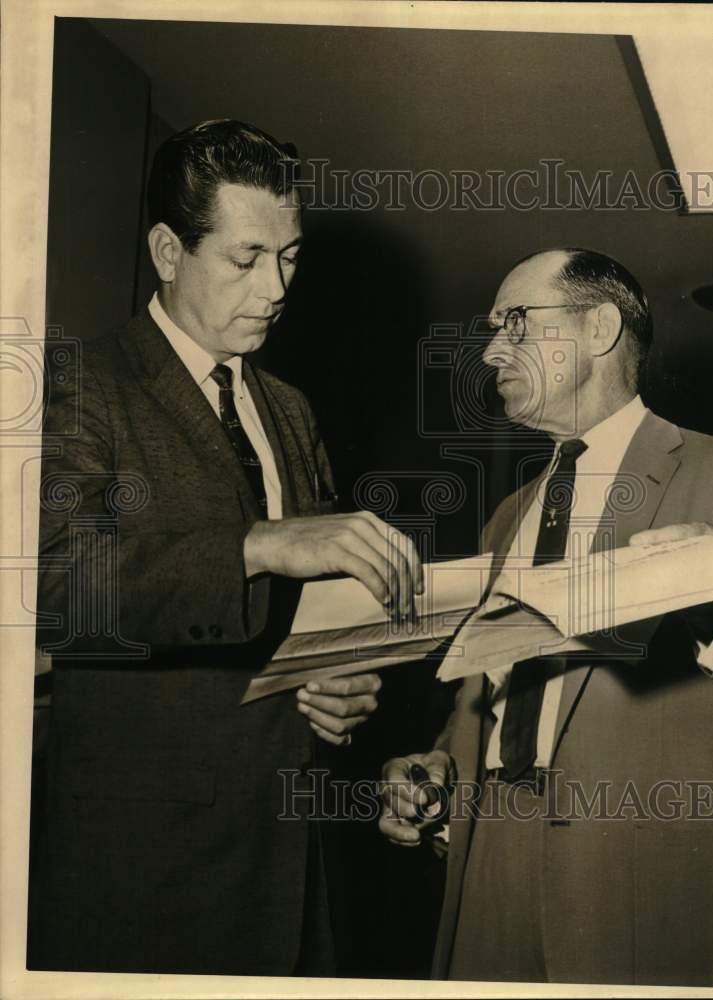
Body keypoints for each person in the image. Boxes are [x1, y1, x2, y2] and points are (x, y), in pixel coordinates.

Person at [30, 119, 422, 976]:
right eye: (246, 260)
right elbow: (57, 587)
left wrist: (344, 680)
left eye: (289, 258)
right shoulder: (79, 383)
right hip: (143, 864)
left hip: (292, 846)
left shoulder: (290, 409)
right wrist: (257, 545)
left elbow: (313, 611)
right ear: (168, 252)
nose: (275, 288)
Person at [380, 248, 713, 986]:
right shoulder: (509, 514)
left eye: (515, 322)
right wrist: (443, 766)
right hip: (486, 860)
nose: (490, 352)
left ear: (598, 328)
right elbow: (492, 697)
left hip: (637, 879)